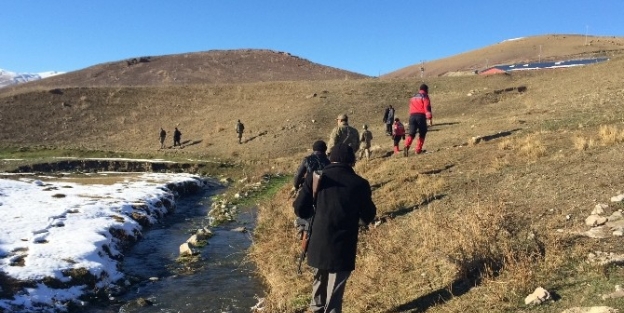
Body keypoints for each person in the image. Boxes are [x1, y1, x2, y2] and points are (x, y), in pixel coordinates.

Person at [293, 143, 377, 313]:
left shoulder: (316, 177)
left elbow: (299, 208)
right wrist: (356, 221)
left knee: (319, 280)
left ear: (331, 159)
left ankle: (316, 309)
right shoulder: (360, 183)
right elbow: (369, 215)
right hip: (344, 243)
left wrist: (315, 214)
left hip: (318, 240)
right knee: (335, 289)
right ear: (352, 161)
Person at [292, 140, 331, 239]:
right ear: (325, 150)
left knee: (299, 204)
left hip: (308, 190)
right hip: (324, 192)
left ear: (313, 149)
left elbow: (298, 175)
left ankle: (301, 223)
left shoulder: (307, 160)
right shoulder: (329, 161)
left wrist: (296, 186)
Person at [404, 84, 432, 156]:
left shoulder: (414, 96)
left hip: (412, 116)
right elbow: (427, 107)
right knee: (422, 133)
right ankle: (418, 150)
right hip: (421, 116)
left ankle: (406, 145)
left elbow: (410, 106)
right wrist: (429, 118)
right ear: (426, 89)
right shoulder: (425, 96)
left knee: (412, 133)